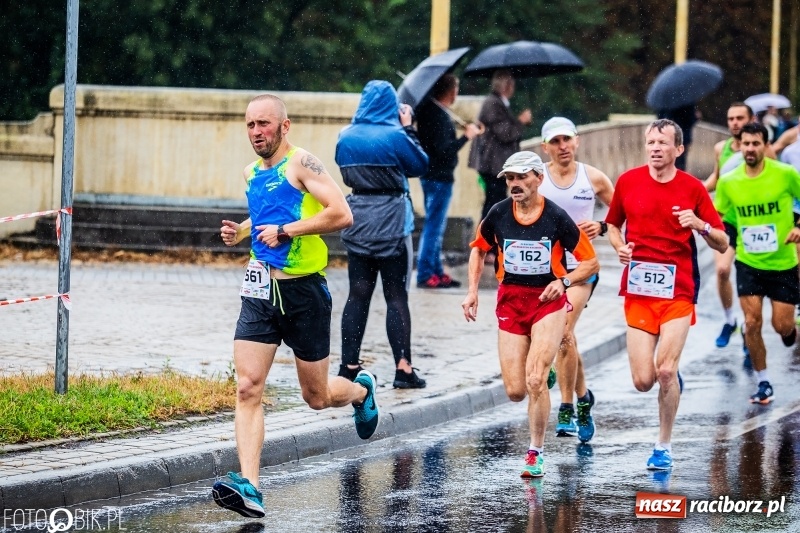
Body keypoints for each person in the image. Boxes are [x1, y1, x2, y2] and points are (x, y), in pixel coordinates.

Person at [212, 94, 380, 518]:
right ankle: (250, 486)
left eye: (264, 124)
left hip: (305, 294)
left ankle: (361, 390)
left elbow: (341, 214)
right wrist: (242, 231)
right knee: (248, 387)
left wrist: (288, 231)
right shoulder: (251, 172)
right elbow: (268, 212)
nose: (256, 133)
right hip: (260, 293)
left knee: (317, 396)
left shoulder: (303, 163)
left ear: (284, 127)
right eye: (250, 125)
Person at [461, 151, 599, 478]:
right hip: (510, 302)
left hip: (546, 302)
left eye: (522, 177)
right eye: (510, 178)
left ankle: (535, 451)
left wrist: (563, 281)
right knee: (515, 391)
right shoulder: (497, 214)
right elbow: (479, 249)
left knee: (535, 379)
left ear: (538, 177)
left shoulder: (556, 216)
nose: (515, 184)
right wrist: (471, 292)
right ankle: (542, 370)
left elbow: (591, 262)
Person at [605, 119, 727, 470]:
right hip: (640, 290)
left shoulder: (692, 189)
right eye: (651, 142)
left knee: (664, 371)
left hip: (679, 290)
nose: (655, 148)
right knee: (643, 380)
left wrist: (700, 225)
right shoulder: (628, 182)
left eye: (663, 143)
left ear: (679, 149)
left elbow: (722, 241)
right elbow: (612, 224)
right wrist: (619, 247)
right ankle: (668, 380)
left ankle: (663, 445)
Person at [335, 80, 430, 389]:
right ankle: (403, 369)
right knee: (396, 296)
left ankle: (348, 366)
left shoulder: (345, 137)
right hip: (392, 221)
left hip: (358, 219)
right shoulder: (395, 135)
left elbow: (343, 169)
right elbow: (420, 165)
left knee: (357, 294)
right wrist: (409, 128)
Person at [537, 117, 615, 443]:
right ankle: (584, 399)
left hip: (582, 268)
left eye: (567, 139)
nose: (562, 146)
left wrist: (605, 227)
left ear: (577, 141)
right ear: (545, 147)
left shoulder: (593, 177)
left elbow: (622, 211)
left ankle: (566, 408)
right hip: (546, 272)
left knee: (564, 333)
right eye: (555, 141)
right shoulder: (536, 179)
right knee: (565, 339)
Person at [714, 122, 800, 404]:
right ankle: (763, 382)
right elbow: (722, 217)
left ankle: (789, 332)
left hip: (783, 262)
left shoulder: (786, 175)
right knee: (751, 323)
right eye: (745, 144)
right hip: (749, 262)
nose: (750, 149)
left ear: (765, 145)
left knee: (781, 325)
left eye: (755, 144)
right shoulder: (730, 181)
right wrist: (721, 235)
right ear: (739, 146)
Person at [415, 74, 482, 289]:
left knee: (435, 224)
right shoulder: (439, 117)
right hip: (439, 177)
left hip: (429, 175)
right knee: (434, 227)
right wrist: (466, 137)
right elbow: (444, 151)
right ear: (451, 92)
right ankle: (425, 273)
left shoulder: (429, 112)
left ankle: (435, 270)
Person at [704, 103, 759, 354]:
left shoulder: (762, 151)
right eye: (731, 118)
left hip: (754, 222)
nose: (735, 123)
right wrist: (692, 193)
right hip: (726, 219)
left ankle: (751, 331)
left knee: (752, 281)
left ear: (751, 120)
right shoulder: (721, 149)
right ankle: (730, 320)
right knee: (723, 270)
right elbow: (716, 179)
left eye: (740, 118)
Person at [468, 69, 533, 222]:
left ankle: (490, 234)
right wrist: (520, 122)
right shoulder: (493, 103)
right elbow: (505, 134)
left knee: (495, 200)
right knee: (494, 201)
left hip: (495, 163)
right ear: (507, 86)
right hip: (492, 164)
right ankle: (487, 236)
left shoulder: (498, 103)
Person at [657, 104, 698, 171]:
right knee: (680, 159)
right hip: (683, 136)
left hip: (666, 137)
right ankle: (678, 177)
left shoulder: (664, 102)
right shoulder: (686, 102)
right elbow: (690, 120)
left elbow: (660, 119)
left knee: (666, 159)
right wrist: (696, 117)